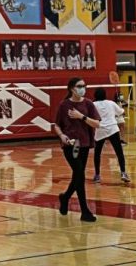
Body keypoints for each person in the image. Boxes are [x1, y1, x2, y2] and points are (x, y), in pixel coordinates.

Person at [53, 78, 101, 222]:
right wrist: (62, 136)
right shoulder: (64, 105)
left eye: (84, 86)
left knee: (78, 175)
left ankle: (65, 197)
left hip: (85, 144)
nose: (83, 88)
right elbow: (57, 125)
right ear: (72, 88)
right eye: (79, 86)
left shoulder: (88, 104)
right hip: (70, 145)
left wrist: (82, 117)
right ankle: (84, 210)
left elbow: (97, 124)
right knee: (79, 173)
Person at [92, 87, 129, 183]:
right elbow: (122, 112)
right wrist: (121, 107)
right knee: (119, 152)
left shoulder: (93, 105)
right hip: (113, 129)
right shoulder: (111, 103)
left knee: (97, 153)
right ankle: (123, 173)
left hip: (100, 129)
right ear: (105, 95)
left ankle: (97, 175)